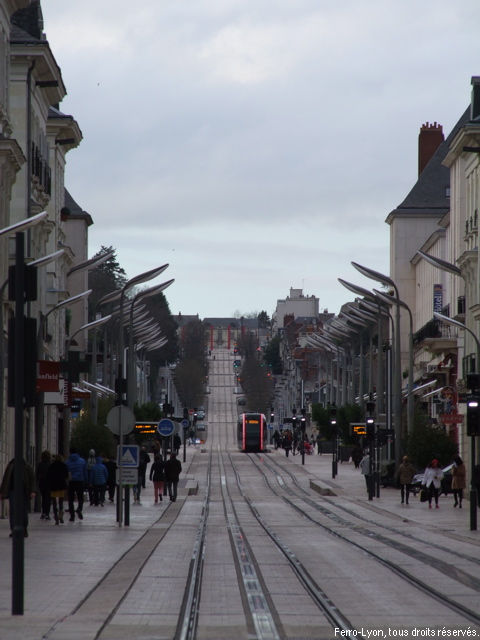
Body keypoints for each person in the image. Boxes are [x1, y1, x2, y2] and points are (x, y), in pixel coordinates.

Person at [0, 458, 36, 537]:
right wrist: (2, 492)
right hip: (13, 491)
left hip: (24, 492)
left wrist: (32, 491)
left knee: (23, 511)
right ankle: (14, 529)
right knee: (13, 511)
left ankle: (24, 528)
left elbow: (32, 480)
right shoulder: (11, 466)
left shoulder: (27, 467)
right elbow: (6, 479)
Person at [66, 447, 87, 521]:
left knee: (70, 499)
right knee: (80, 498)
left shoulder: (67, 462)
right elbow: (85, 472)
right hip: (80, 481)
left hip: (71, 482)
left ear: (70, 452)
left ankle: (72, 516)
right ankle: (79, 509)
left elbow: (66, 473)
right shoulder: (82, 461)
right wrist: (86, 481)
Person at [47, 454, 69, 525]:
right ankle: (60, 514)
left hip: (53, 486)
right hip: (61, 485)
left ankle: (56, 516)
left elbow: (48, 475)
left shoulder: (51, 466)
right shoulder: (64, 466)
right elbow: (66, 475)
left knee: (54, 502)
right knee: (61, 501)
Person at [36, 450, 52, 520]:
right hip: (49, 483)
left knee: (44, 498)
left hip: (42, 483)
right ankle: (47, 513)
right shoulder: (51, 464)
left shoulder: (40, 464)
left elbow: (37, 474)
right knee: (48, 499)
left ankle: (43, 513)